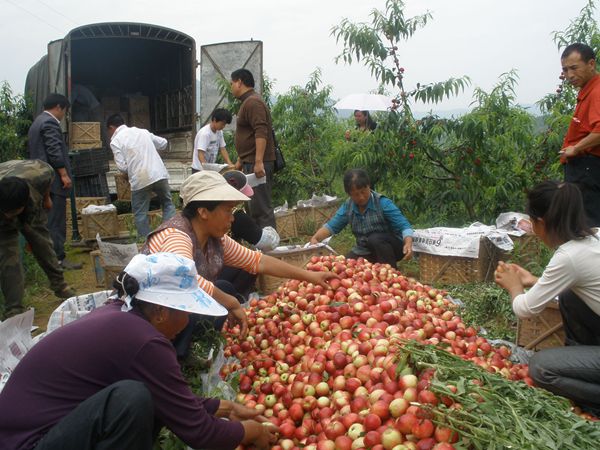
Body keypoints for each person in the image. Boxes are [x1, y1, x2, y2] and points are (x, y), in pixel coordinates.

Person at [0, 252, 277, 449]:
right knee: (132, 399)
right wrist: (250, 431)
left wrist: (223, 407)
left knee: (146, 396)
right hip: (29, 443)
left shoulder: (123, 317)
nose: (186, 323)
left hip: (48, 430)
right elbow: (201, 435)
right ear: (159, 311)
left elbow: (169, 397)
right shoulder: (144, 341)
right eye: (184, 312)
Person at [141, 170, 337, 358]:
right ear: (203, 212)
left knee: (223, 289)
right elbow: (186, 280)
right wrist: (232, 303)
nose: (233, 218)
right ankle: (174, 356)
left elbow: (257, 261)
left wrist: (311, 276)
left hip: (170, 312)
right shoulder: (177, 236)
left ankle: (193, 348)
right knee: (212, 301)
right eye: (227, 210)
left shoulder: (214, 238)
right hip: (147, 317)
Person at [494, 180, 600, 416]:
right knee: (570, 295)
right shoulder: (595, 237)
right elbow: (585, 282)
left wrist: (513, 287)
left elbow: (524, 309)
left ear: (540, 223)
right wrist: (533, 280)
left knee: (541, 368)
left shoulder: (569, 256)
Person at [0, 160, 76, 319]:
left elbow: (48, 180)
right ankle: (14, 309)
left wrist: (46, 198)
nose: (10, 217)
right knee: (9, 259)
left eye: (14, 213)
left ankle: (60, 286)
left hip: (28, 192)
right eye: (7, 213)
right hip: (4, 211)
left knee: (42, 243)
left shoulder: (40, 173)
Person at [310, 168, 413, 267]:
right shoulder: (348, 207)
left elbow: (404, 225)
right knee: (345, 265)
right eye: (356, 194)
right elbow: (332, 226)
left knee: (375, 239)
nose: (361, 197)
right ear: (349, 194)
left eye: (363, 192)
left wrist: (408, 243)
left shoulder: (383, 203)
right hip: (365, 250)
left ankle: (391, 273)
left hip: (392, 248)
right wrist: (316, 238)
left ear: (369, 186)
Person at [28, 93, 81, 270]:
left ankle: (50, 258)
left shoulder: (37, 122)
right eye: (64, 111)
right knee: (56, 221)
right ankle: (58, 259)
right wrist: (64, 174)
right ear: (59, 107)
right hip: (53, 180)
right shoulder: (50, 122)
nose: (63, 115)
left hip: (41, 179)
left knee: (47, 220)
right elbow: (54, 150)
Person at [106, 113, 176, 238]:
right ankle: (167, 235)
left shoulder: (116, 141)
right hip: (159, 174)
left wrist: (132, 167)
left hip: (140, 179)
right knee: (168, 204)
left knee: (140, 214)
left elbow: (122, 167)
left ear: (111, 128)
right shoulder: (142, 131)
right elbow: (164, 143)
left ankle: (146, 242)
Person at [219, 170, 281, 301]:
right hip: (218, 275)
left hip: (212, 269)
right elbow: (267, 243)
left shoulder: (216, 210)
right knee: (251, 261)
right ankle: (237, 297)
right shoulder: (237, 216)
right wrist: (271, 231)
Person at [559, 43, 600, 227]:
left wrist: (576, 148)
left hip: (588, 169)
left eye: (574, 68)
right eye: (565, 70)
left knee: (588, 224)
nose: (570, 75)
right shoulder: (588, 91)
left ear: (591, 64)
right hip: (583, 170)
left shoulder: (596, 92)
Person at [230, 68, 276, 228]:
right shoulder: (247, 102)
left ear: (239, 82)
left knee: (261, 207)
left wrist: (258, 161)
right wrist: (241, 160)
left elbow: (261, 131)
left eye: (232, 83)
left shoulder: (253, 102)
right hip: (250, 161)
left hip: (258, 163)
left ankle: (269, 246)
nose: (231, 87)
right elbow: (247, 136)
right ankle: (259, 245)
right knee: (253, 205)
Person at [192, 108, 234, 173]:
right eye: (222, 124)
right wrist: (206, 170)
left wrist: (229, 164)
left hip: (209, 169)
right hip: (199, 170)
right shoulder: (205, 134)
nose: (223, 126)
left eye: (225, 124)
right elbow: (200, 154)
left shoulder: (219, 132)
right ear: (214, 120)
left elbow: (223, 149)